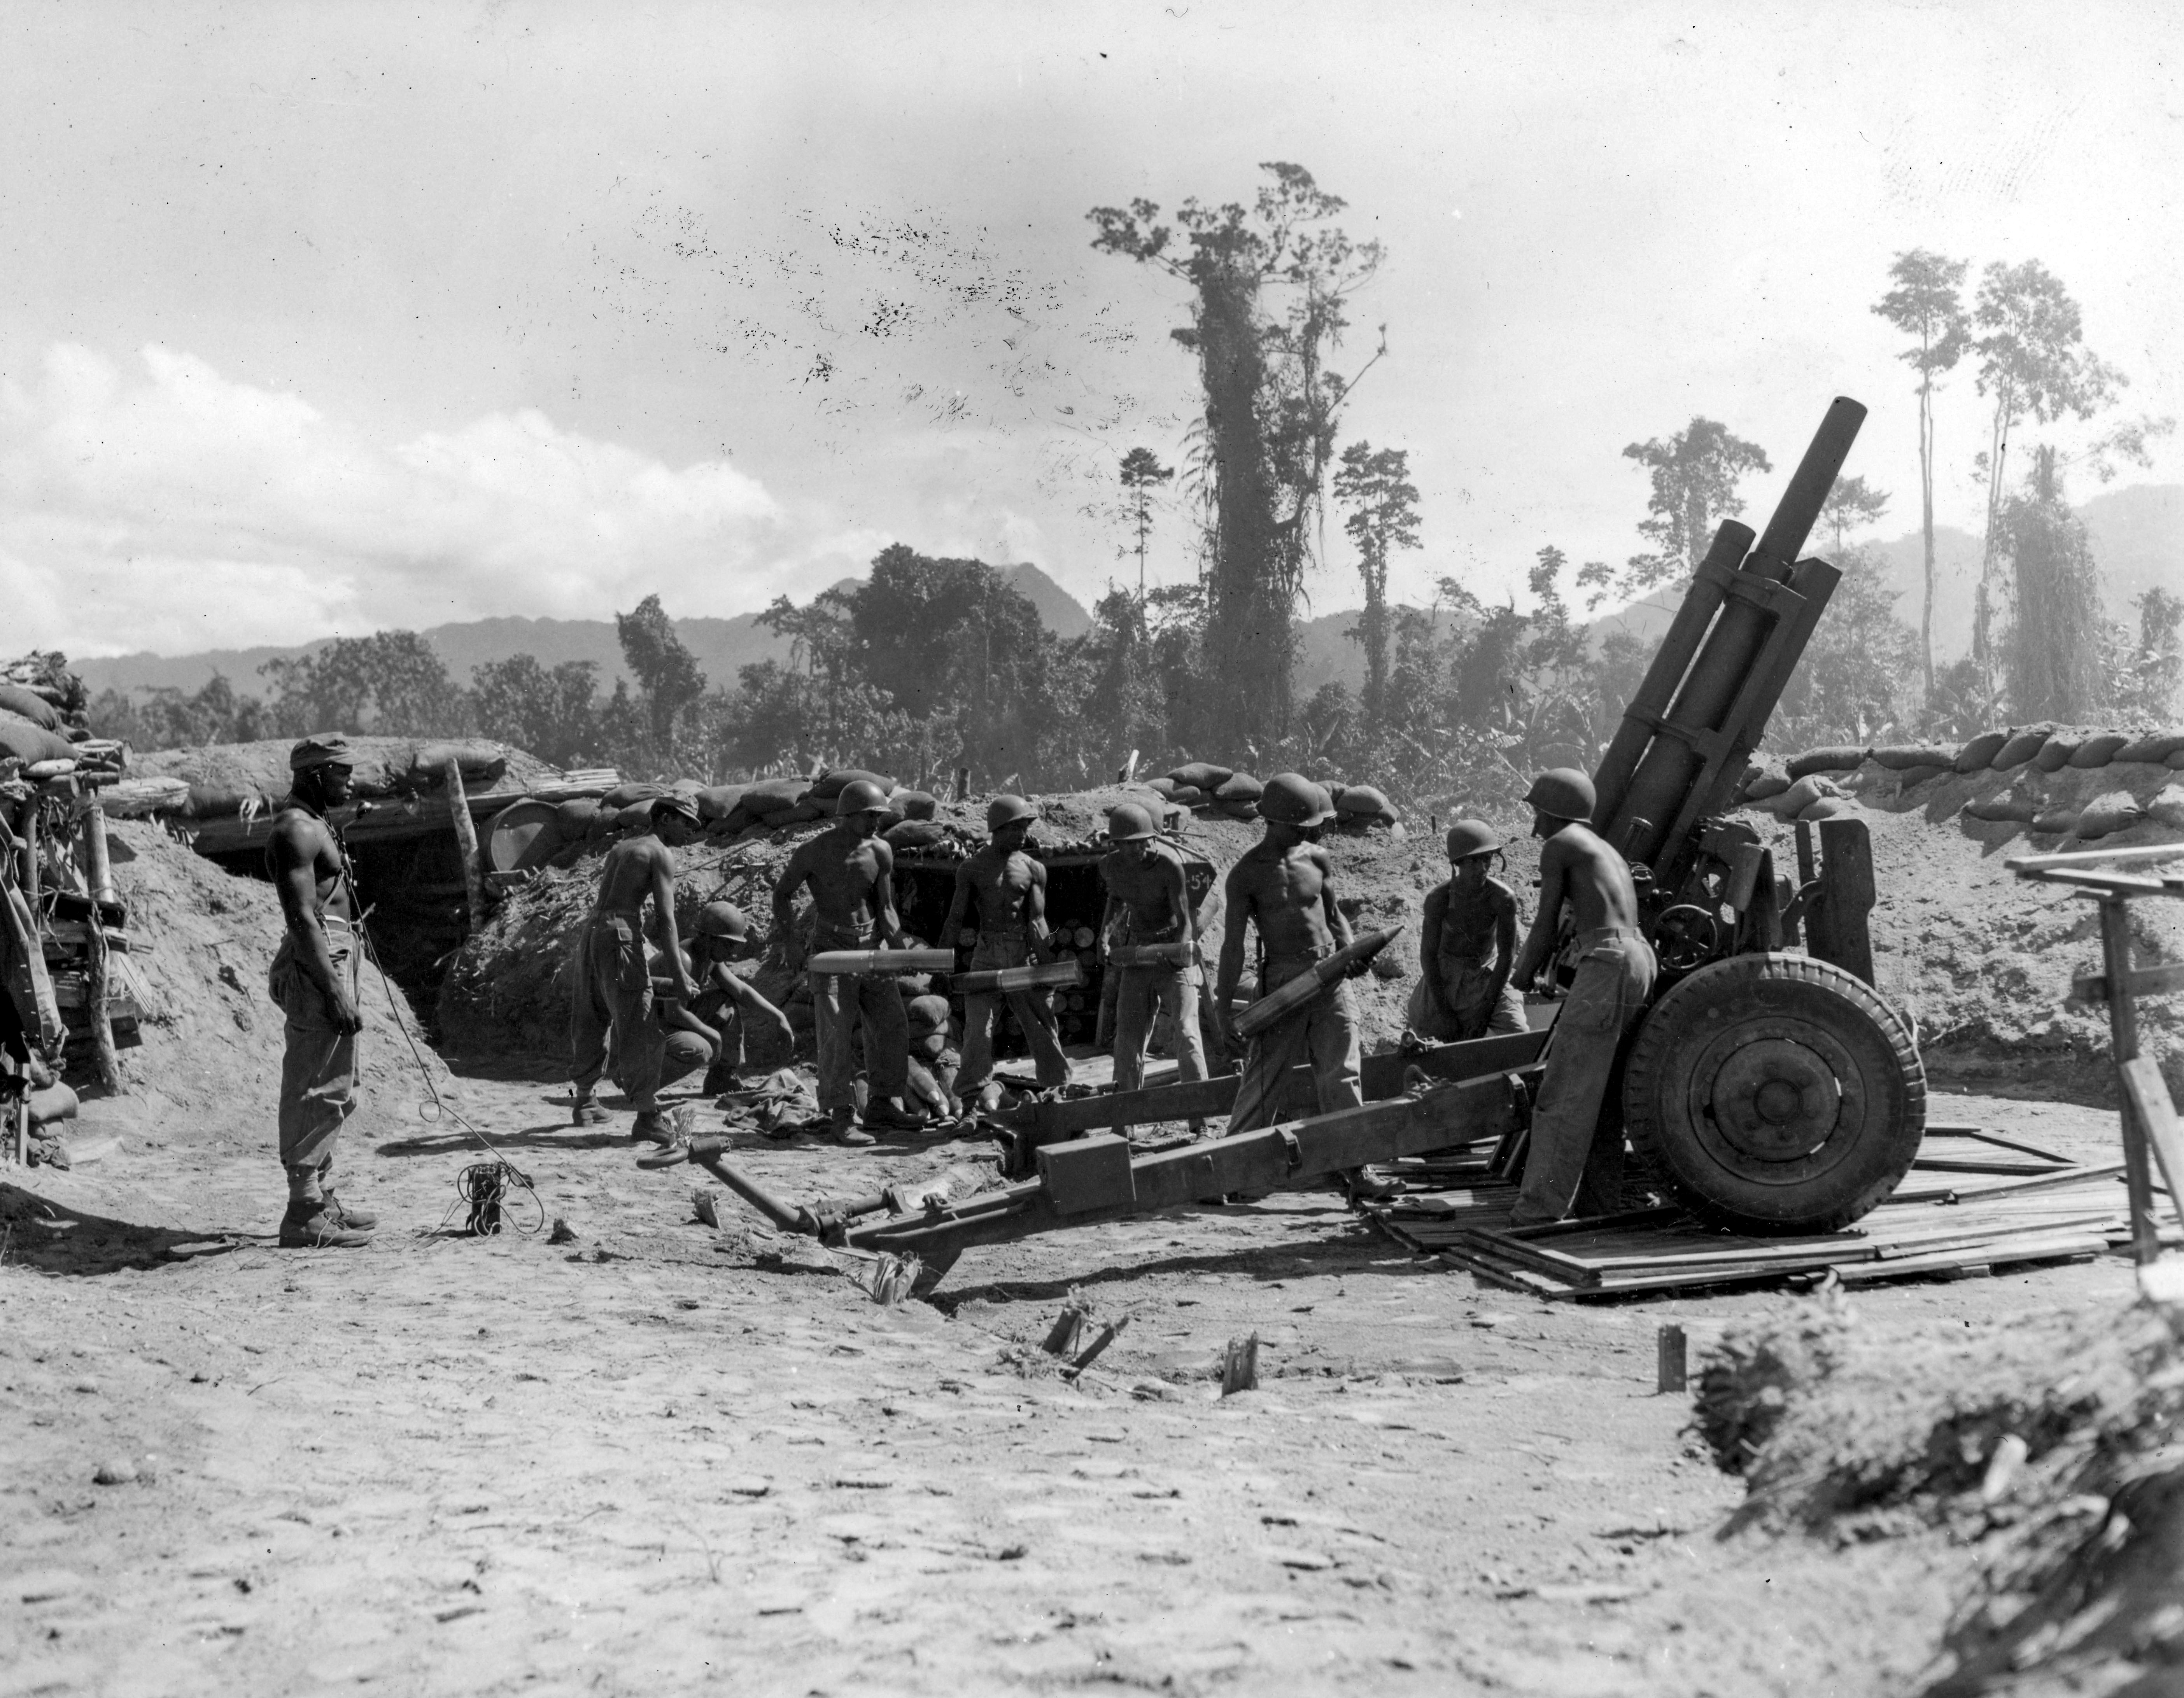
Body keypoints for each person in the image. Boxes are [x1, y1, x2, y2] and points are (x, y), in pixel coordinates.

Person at [1209, 774, 1395, 1202]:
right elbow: (1232, 947)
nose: (1309, 831)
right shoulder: (1245, 875)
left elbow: (1333, 916)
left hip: (1329, 975)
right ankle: (1229, 1171)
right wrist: (1223, 1012)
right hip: (1282, 983)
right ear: (1275, 822)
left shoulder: (1317, 857)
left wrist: (1351, 952)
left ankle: (1357, 1170)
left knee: (1342, 1074)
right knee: (1263, 1079)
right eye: (1301, 825)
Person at [1505, 768, 1658, 1228]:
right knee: (1604, 1093)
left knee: (1564, 1091)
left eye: (1537, 814)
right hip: (1638, 958)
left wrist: (1518, 978)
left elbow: (1545, 923)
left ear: (1553, 813)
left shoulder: (1561, 846)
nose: (1534, 827)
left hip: (1608, 961)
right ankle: (1597, 1202)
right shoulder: (1605, 848)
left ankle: (1538, 1211)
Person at [265, 734, 375, 1248]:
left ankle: (322, 1197)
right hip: (319, 958)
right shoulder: (295, 829)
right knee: (315, 1080)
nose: (351, 781)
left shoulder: (316, 823)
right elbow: (302, 916)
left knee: (337, 1078)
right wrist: (332, 990)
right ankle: (303, 1211)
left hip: (333, 952)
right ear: (313, 775)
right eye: (341, 773)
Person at [773, 779, 919, 1145]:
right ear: (847, 815)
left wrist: (899, 947)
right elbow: (782, 894)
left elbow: (885, 909)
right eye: (868, 816)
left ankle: (883, 1104)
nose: (874, 823)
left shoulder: (881, 851)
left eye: (878, 817)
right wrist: (791, 942)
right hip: (831, 947)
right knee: (835, 1033)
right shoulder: (813, 852)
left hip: (870, 944)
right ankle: (841, 1116)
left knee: (892, 1023)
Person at [569, 793, 702, 1144]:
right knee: (638, 1022)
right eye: (685, 822)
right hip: (622, 934)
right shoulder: (661, 853)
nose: (691, 831)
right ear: (663, 818)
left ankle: (584, 1100)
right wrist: (678, 974)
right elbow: (666, 917)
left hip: (594, 932)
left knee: (592, 1013)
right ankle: (647, 1116)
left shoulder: (623, 848)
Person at [940, 795, 1070, 1110]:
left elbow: (1037, 922)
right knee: (977, 1031)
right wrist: (941, 964)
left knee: (1041, 1022)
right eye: (1017, 829)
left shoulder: (1033, 869)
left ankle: (1057, 1092)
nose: (1023, 835)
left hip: (1021, 953)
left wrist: (1047, 969)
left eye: (1025, 828)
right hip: (985, 955)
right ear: (997, 829)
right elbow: (956, 919)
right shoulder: (971, 869)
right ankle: (972, 1102)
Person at [1098, 801, 1208, 1127]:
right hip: (1137, 953)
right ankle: (1125, 1123)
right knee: (1127, 1039)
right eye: (1126, 844)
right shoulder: (1110, 867)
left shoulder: (1168, 867)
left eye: (1140, 842)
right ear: (1116, 844)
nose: (1135, 850)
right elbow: (1116, 901)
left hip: (1171, 952)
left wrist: (1182, 951)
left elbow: (1185, 917)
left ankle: (1200, 1119)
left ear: (1150, 839)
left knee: (1187, 1033)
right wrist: (1105, 937)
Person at [1405, 819, 1527, 1043]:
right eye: (1474, 861)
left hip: (1486, 974)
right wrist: (1445, 1014)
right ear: (1458, 863)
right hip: (1446, 975)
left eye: (1487, 860)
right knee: (1424, 1037)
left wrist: (1485, 1011)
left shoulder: (1502, 899)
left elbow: (1507, 957)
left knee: (1518, 1034)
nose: (1482, 868)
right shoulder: (1438, 900)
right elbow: (1429, 957)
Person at [671, 901, 795, 1094]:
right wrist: (710, 1033)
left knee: (724, 1001)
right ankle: (640, 1080)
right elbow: (671, 1012)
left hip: (672, 1019)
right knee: (700, 1049)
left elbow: (740, 991)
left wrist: (779, 1016)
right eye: (728, 944)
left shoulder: (708, 957)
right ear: (709, 939)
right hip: (652, 1027)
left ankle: (722, 1078)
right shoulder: (685, 961)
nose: (733, 952)